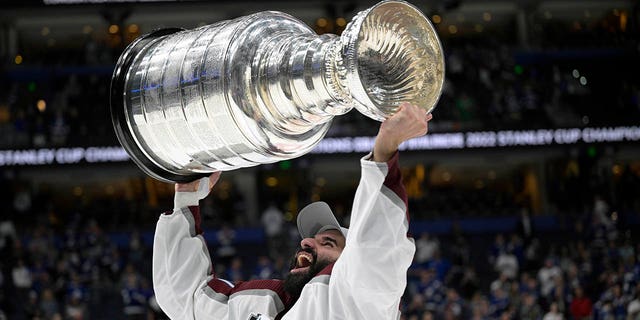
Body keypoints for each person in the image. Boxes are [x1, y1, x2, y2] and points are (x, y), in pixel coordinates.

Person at [152, 103, 432, 319]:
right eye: (313, 239)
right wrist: (186, 198)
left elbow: (377, 250)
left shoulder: (359, 301)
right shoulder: (260, 305)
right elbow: (187, 301)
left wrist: (384, 150)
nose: (307, 241)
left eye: (329, 242)